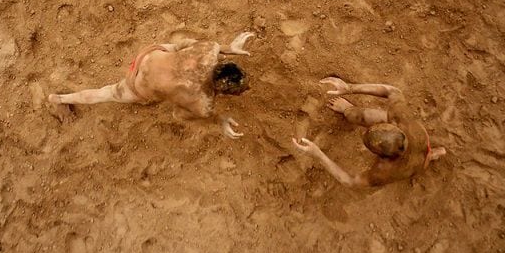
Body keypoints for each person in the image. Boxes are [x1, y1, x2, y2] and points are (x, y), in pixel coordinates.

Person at [48, 32, 254, 138]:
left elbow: (184, 44)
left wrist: (230, 48)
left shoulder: (211, 49)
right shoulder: (202, 103)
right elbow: (178, 115)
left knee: (176, 48)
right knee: (107, 93)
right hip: (137, 83)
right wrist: (219, 119)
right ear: (221, 91)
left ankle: (61, 98)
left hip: (148, 55)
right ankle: (59, 99)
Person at [292, 77, 446, 188]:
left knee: (420, 162)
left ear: (383, 157)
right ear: (394, 126)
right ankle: (432, 154)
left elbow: (349, 181)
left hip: (413, 167)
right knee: (424, 157)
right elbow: (392, 91)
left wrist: (317, 153)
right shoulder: (401, 118)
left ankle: (430, 155)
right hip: (420, 142)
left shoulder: (383, 172)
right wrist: (349, 88)